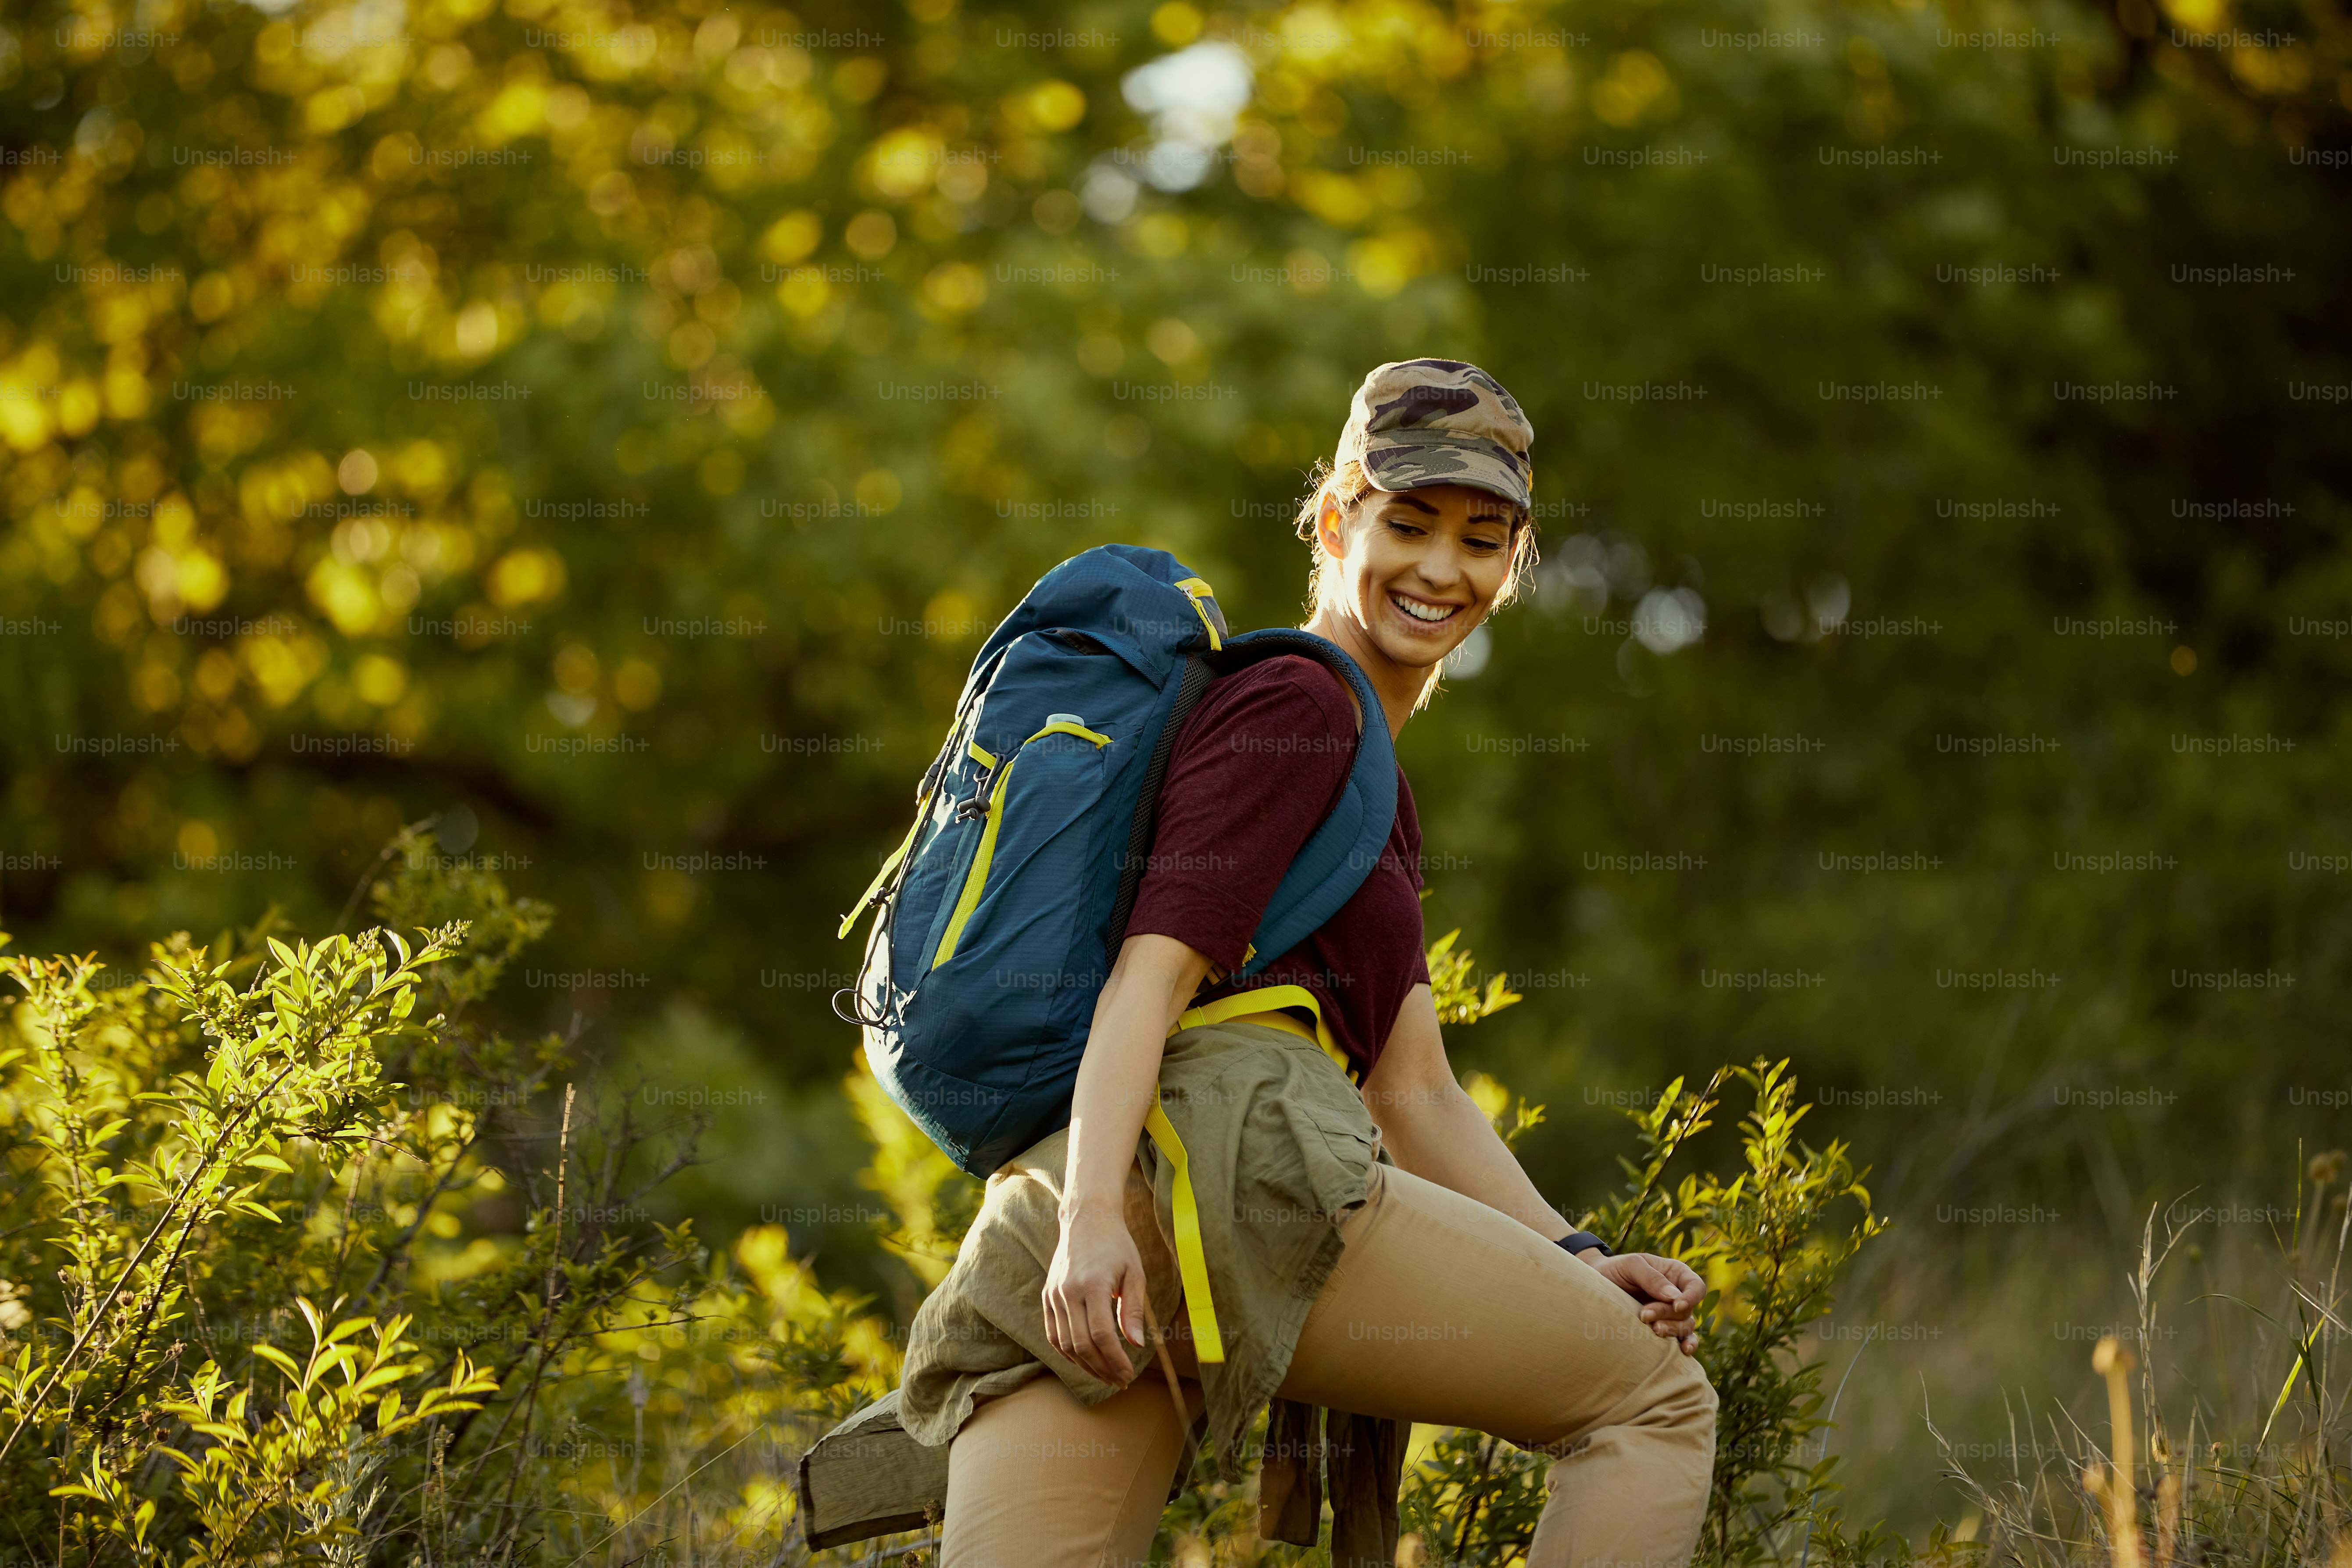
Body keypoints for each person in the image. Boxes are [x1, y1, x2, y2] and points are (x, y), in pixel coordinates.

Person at [896, 360, 1718, 1568]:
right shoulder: (1297, 705)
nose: (1442, 570)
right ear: (1334, 520)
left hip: (1070, 1214)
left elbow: (1413, 1090)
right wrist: (1090, 1229)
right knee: (1653, 1405)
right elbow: (1148, 981)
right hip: (1209, 1184)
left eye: (1482, 540)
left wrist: (1580, 1258)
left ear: (1512, 568)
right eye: (1408, 523)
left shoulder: (1362, 779)